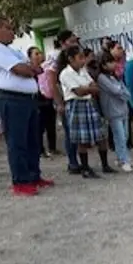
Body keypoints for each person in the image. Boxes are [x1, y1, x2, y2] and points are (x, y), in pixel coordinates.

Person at [0, 17, 49, 197]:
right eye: (8, 29)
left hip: (27, 98)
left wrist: (31, 69)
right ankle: (21, 181)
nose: (13, 32)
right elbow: (22, 70)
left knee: (32, 139)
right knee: (17, 141)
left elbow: (34, 67)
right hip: (12, 99)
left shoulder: (11, 49)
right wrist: (30, 69)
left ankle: (34, 175)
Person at [58, 46, 113, 177]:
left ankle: (105, 165)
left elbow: (94, 86)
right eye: (80, 57)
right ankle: (85, 168)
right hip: (76, 104)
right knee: (82, 139)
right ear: (71, 59)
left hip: (88, 102)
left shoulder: (83, 71)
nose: (83, 61)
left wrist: (87, 88)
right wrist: (88, 88)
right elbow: (78, 92)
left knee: (101, 135)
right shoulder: (65, 74)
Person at [44, 30, 82, 174]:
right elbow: (52, 82)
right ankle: (72, 162)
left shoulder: (76, 55)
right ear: (63, 42)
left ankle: (78, 160)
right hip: (65, 99)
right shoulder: (55, 58)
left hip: (76, 98)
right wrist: (59, 102)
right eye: (71, 41)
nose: (75, 43)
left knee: (77, 131)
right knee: (69, 131)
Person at [93, 52, 133, 173]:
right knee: (119, 136)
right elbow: (114, 90)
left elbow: (125, 91)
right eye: (110, 62)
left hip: (123, 109)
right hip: (112, 111)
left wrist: (121, 91)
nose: (113, 64)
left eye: (113, 61)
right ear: (103, 65)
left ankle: (120, 157)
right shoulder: (101, 78)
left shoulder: (114, 76)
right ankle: (124, 160)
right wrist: (121, 91)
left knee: (125, 135)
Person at [30, 46, 58, 156]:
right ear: (30, 57)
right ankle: (40, 149)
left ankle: (53, 147)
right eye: (36, 54)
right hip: (37, 100)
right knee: (39, 127)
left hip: (49, 98)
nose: (39, 55)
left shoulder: (47, 68)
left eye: (40, 53)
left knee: (51, 124)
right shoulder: (30, 70)